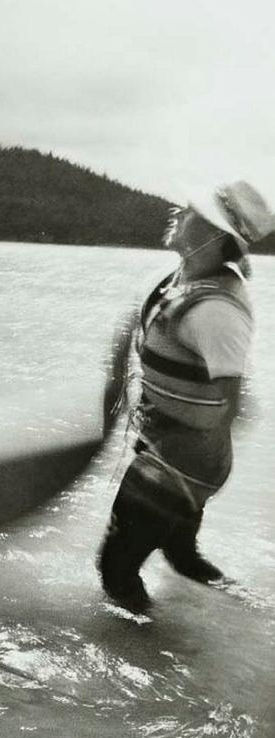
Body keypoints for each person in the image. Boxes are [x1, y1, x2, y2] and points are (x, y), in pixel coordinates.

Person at [97, 180, 275, 614]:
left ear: (215, 237)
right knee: (181, 557)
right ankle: (256, 611)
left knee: (116, 571)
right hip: (175, 452)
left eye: (193, 211)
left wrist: (177, 468)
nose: (180, 210)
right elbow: (139, 334)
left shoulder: (219, 312)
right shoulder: (183, 277)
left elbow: (234, 403)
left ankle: (156, 657)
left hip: (182, 460)